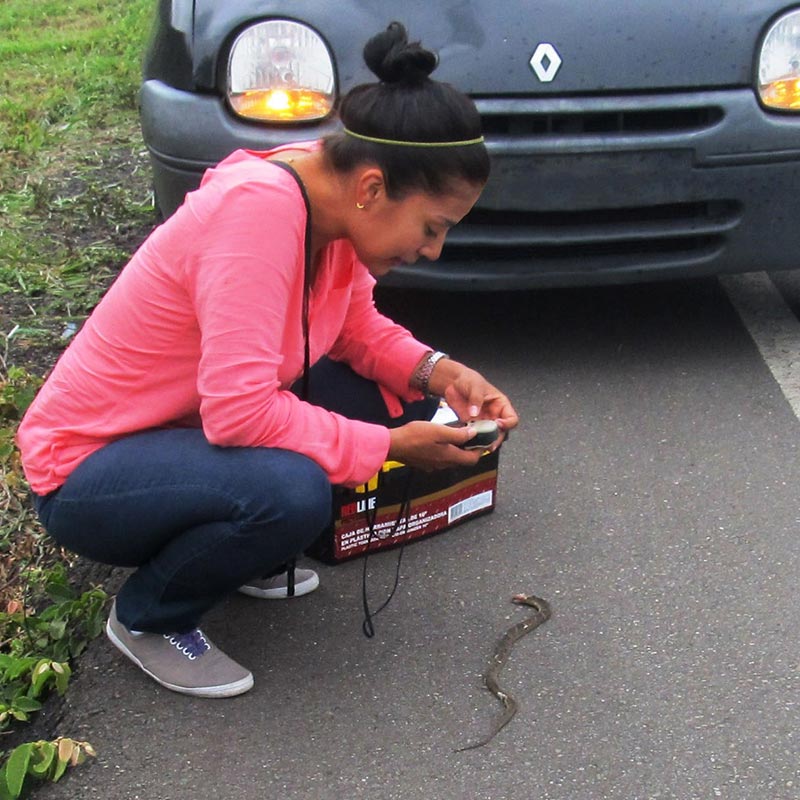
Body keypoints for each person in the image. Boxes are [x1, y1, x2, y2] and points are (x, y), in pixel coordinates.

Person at [16, 21, 519, 698]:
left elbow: (353, 329)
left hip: (176, 434)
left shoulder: (328, 198)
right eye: (433, 228)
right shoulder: (257, 216)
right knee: (294, 491)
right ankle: (147, 617)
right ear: (372, 187)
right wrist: (393, 447)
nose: (432, 250)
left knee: (364, 397)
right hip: (87, 471)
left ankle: (228, 552)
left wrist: (439, 371)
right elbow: (238, 413)